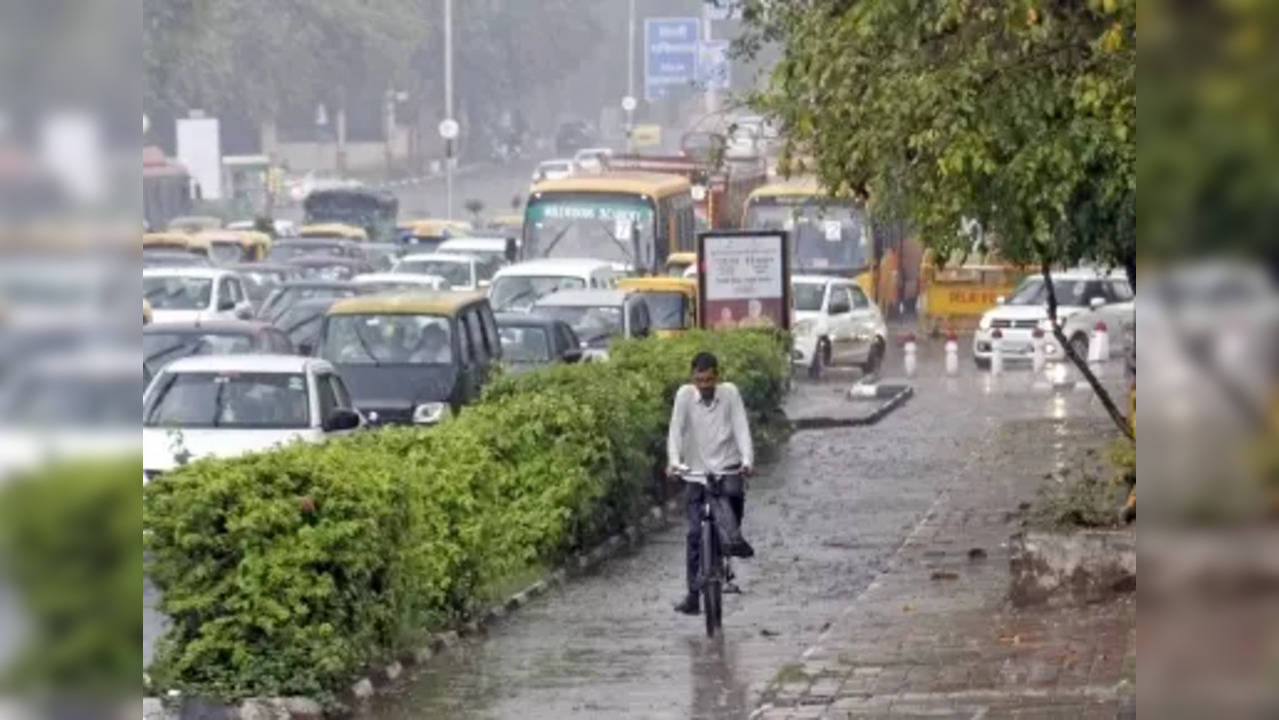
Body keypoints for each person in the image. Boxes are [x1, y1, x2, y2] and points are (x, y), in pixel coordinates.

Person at [666, 351, 756, 616]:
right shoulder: (684, 396)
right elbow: (675, 431)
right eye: (699, 380)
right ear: (692, 378)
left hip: (727, 467)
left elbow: (741, 428)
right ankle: (693, 594)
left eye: (708, 380)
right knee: (694, 534)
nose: (704, 385)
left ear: (717, 376)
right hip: (695, 472)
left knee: (734, 506)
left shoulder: (730, 394)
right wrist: (673, 461)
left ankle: (728, 549)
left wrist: (747, 460)